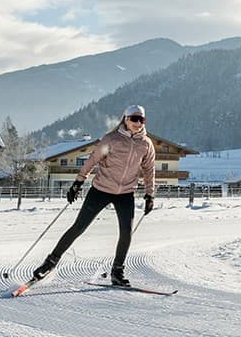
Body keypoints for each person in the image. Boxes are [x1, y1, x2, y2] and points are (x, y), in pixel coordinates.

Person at [29, 104, 156, 286]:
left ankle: (117, 272)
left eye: (141, 119)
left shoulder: (146, 144)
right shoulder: (111, 139)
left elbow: (149, 169)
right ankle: (50, 263)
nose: (138, 123)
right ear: (125, 119)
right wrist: (78, 182)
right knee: (79, 227)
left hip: (126, 192)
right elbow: (93, 159)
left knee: (126, 232)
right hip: (101, 190)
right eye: (134, 119)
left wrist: (150, 195)